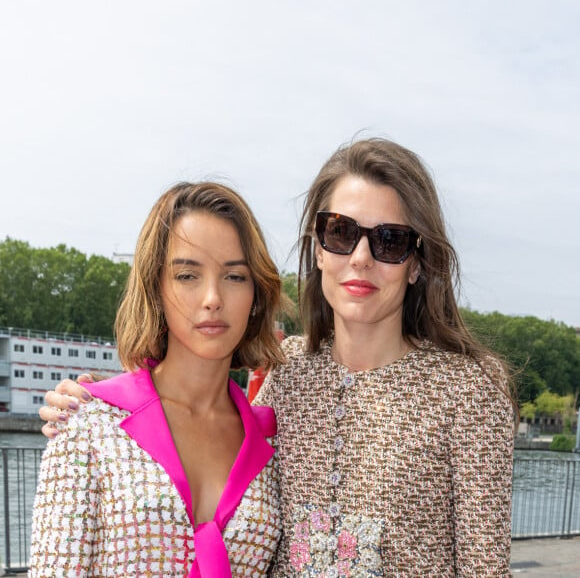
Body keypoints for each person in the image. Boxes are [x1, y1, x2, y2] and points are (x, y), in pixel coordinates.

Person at [40, 138, 516, 576]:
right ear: (318, 247)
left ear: (416, 262)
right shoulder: (289, 372)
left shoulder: (469, 390)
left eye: (390, 240)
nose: (361, 258)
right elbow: (193, 411)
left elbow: (484, 568)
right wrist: (101, 400)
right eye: (342, 232)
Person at [29, 182, 285, 577]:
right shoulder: (89, 424)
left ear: (256, 297)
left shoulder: (272, 445)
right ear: (156, 288)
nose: (212, 298)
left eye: (234, 277)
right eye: (187, 275)